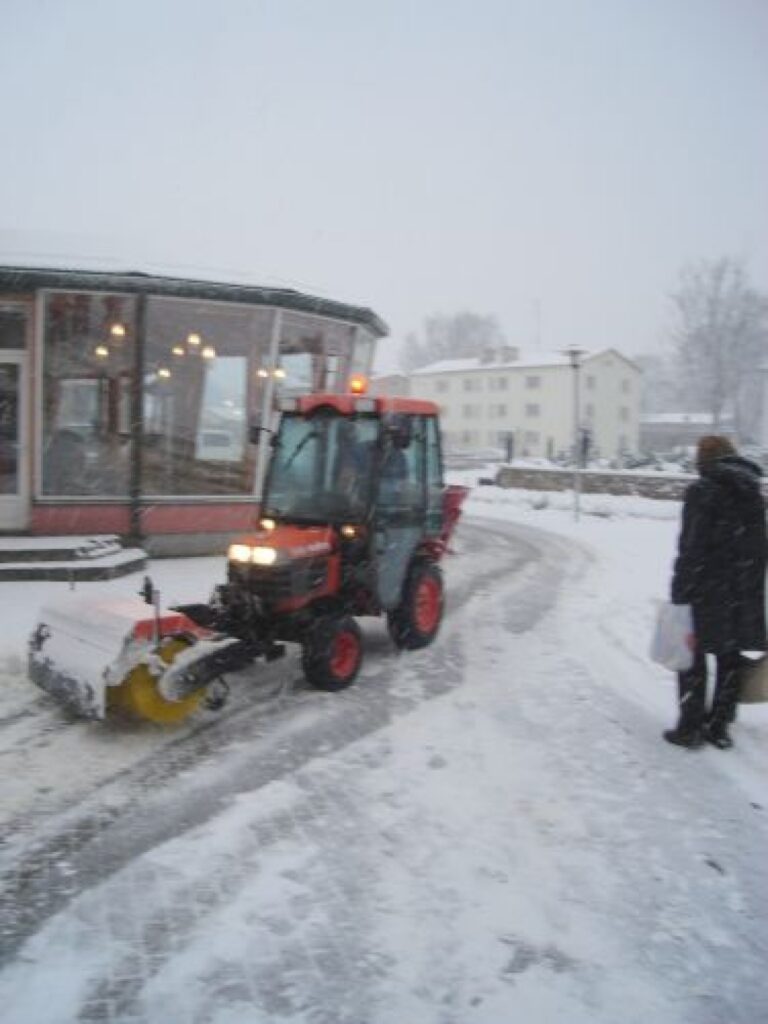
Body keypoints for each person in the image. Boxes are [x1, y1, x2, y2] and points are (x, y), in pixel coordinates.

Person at [665, 435, 767, 749]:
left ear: (703, 459)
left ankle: (690, 727)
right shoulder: (753, 494)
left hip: (705, 589)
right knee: (729, 657)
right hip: (741, 591)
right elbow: (759, 548)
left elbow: (691, 547)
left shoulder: (702, 491)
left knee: (690, 657)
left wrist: (680, 590)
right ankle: (719, 726)